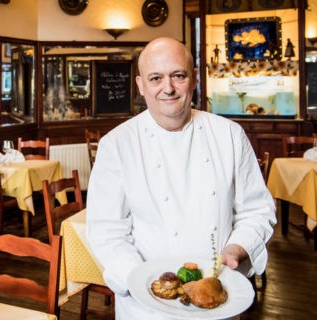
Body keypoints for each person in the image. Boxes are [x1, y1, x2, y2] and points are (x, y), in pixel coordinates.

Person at [86, 37, 276, 319]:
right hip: (146, 308)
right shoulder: (117, 144)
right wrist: (144, 283)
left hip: (219, 295)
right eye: (156, 78)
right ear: (140, 85)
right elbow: (107, 231)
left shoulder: (230, 135)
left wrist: (237, 249)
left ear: (195, 78)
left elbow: (257, 211)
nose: (168, 88)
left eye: (178, 75)